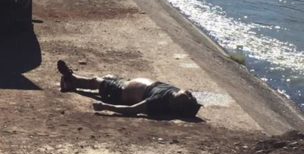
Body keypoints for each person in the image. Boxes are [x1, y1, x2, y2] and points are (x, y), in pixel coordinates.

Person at [57, 60, 202, 118]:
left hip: (121, 92)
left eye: (189, 97)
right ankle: (71, 82)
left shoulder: (159, 101)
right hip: (127, 83)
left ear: (179, 103)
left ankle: (72, 79)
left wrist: (105, 107)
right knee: (107, 76)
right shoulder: (174, 92)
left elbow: (133, 109)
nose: (190, 94)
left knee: (97, 82)